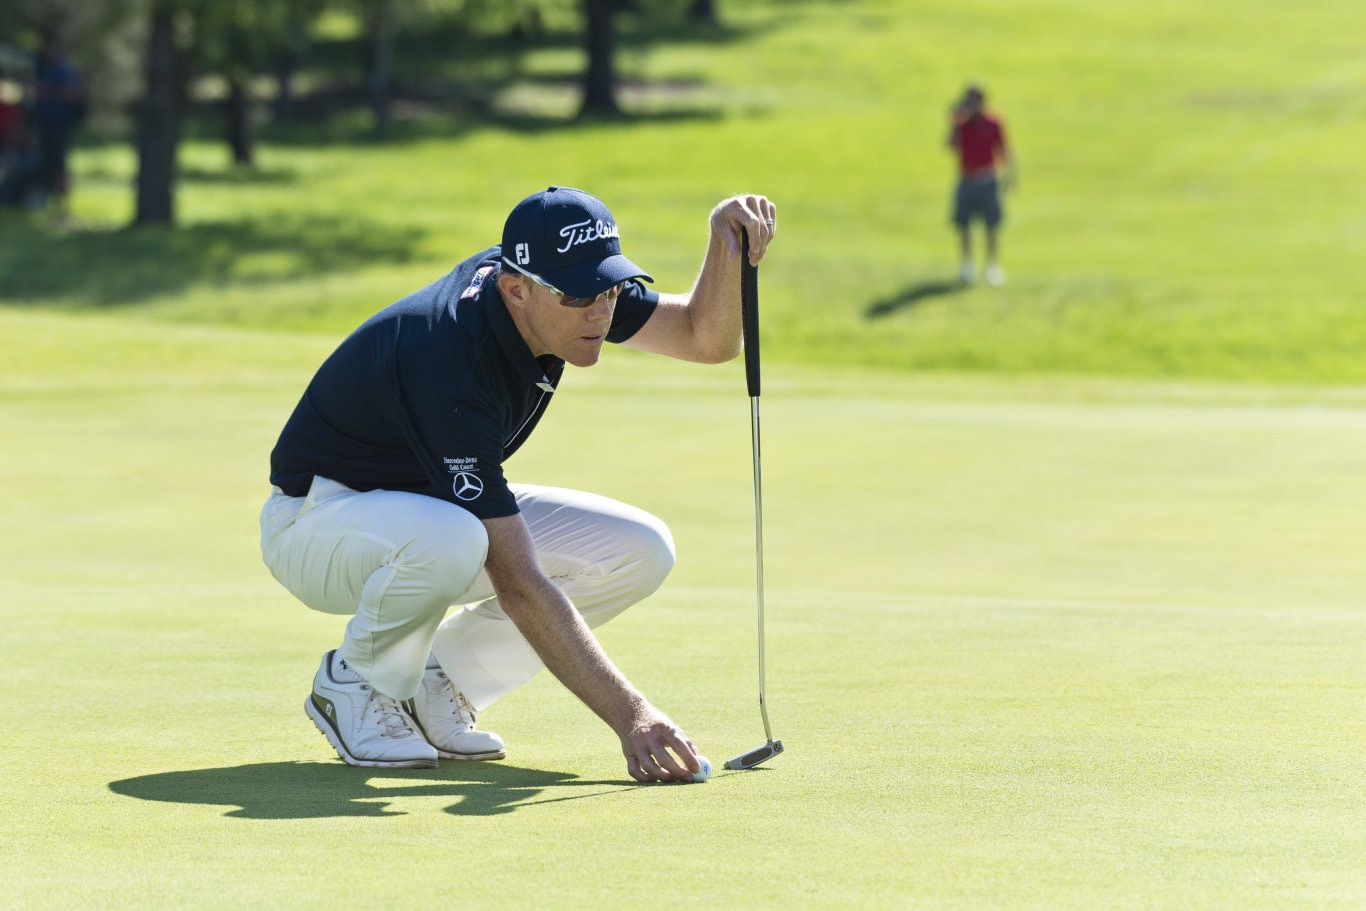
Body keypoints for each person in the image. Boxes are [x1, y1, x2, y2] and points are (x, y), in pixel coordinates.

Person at [260, 186, 778, 782]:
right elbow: (517, 580)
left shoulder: (557, 283)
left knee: (640, 549)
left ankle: (440, 684)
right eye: (582, 296)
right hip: (317, 523)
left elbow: (703, 338)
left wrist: (724, 242)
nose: (601, 312)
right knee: (455, 539)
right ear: (516, 290)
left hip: (425, 513)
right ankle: (358, 681)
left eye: (610, 290)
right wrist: (630, 716)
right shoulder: (448, 358)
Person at [947, 83, 1015, 286]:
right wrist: (953, 121)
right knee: (964, 225)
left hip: (987, 178)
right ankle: (967, 266)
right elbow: (951, 146)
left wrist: (1010, 175)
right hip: (966, 178)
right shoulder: (961, 123)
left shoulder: (993, 122)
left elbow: (1003, 149)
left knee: (991, 225)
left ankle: (992, 266)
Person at [29, 27, 84, 219]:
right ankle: (46, 203)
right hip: (45, 124)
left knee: (58, 166)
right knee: (46, 164)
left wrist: (46, 92)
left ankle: (62, 208)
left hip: (59, 125)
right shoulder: (43, 68)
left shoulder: (62, 68)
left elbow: (72, 94)